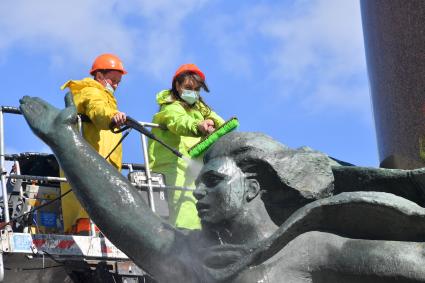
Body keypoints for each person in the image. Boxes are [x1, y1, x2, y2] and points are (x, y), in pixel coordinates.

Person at [19, 95, 425, 282]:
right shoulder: (199, 263)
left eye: (213, 181)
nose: (198, 193)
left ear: (251, 187)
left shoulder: (312, 247)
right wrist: (66, 141)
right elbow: (128, 216)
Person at [148, 63, 225, 230]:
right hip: (172, 172)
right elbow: (179, 122)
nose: (193, 92)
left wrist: (208, 116)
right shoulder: (170, 108)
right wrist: (199, 126)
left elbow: (223, 125)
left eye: (197, 89)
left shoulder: (198, 111)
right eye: (188, 87)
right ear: (177, 85)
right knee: (182, 220)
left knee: (196, 218)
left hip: (194, 174)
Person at [59, 53, 128, 234]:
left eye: (118, 82)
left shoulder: (106, 97)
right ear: (99, 76)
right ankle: (84, 227)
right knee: (90, 202)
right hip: (91, 159)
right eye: (113, 80)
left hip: (102, 161)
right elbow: (97, 110)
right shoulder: (91, 91)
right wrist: (111, 117)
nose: (116, 85)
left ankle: (97, 227)